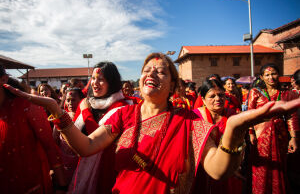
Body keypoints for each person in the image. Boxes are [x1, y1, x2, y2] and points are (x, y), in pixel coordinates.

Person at [4, 53, 300, 194]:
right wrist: (57, 110)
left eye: (161, 71)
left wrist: (233, 129)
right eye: (148, 69)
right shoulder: (124, 115)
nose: (152, 73)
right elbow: (85, 147)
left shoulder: (189, 122)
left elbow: (218, 170)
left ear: (173, 85)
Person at [0, 66, 67, 193]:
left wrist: (61, 186)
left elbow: (50, 147)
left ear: (3, 79)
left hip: (30, 186)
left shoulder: (26, 106)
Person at [69, 61, 132, 193]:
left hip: (107, 169)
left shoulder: (122, 107)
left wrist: (85, 112)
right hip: (80, 165)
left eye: (101, 79)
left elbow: (97, 139)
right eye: (93, 78)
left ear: (112, 83)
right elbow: (74, 135)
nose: (95, 83)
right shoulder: (86, 102)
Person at [247, 63, 299, 194]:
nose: (271, 77)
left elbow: (291, 117)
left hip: (280, 134)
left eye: (274, 74)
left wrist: (293, 138)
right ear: (262, 77)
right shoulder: (255, 92)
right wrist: (251, 133)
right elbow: (249, 113)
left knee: (279, 165)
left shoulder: (286, 94)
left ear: (279, 75)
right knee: (262, 166)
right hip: (260, 135)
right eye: (267, 75)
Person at [193, 79, 242, 194]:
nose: (218, 99)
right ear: (203, 100)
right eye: (212, 96)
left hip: (227, 164)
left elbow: (239, 142)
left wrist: (235, 164)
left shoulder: (231, 115)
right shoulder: (195, 116)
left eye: (220, 95)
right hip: (202, 166)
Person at [53, 87, 85, 187]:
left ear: (82, 101)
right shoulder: (60, 116)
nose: (70, 103)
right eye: (68, 100)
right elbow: (54, 141)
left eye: (73, 100)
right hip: (64, 163)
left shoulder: (86, 118)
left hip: (82, 164)